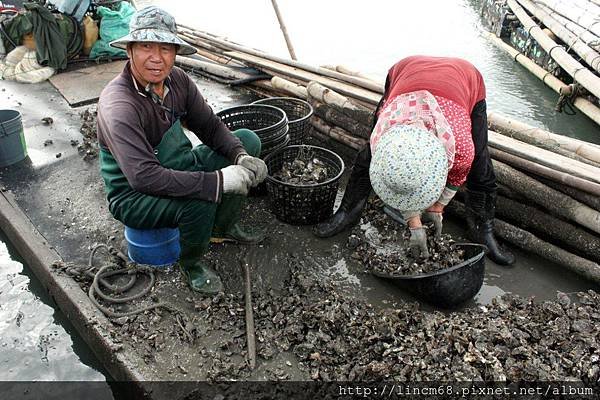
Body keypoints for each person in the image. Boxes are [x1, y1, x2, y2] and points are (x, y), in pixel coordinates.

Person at [97, 6, 269, 294]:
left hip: (178, 166)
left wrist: (241, 156)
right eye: (146, 46)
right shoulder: (119, 105)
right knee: (200, 198)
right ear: (129, 50)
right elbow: (144, 178)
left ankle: (221, 229)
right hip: (134, 194)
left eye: (166, 48)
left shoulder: (177, 81)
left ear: (175, 53)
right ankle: (191, 264)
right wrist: (220, 180)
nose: (156, 57)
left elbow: (210, 127)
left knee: (248, 139)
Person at [314, 55, 515, 265]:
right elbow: (400, 174)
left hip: (465, 78)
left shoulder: (461, 149)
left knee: (481, 166)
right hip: (406, 71)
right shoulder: (381, 137)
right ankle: (348, 212)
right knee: (366, 157)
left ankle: (482, 230)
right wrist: (414, 223)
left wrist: (438, 207)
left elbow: (457, 176)